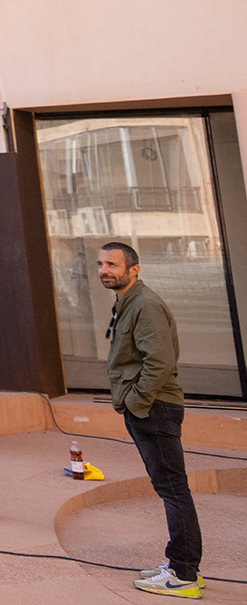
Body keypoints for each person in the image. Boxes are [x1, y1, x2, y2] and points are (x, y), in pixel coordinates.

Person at [100, 241, 204, 598]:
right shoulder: (126, 303)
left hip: (154, 407)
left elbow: (159, 361)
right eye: (101, 264)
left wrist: (136, 401)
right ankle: (181, 566)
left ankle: (184, 575)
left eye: (112, 264)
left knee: (174, 491)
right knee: (171, 489)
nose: (104, 270)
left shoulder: (144, 304)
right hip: (148, 406)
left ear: (134, 269)